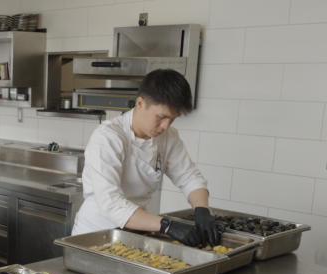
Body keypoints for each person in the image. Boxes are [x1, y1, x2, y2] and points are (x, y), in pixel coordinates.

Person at [72, 69, 222, 247]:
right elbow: (110, 204)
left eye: (173, 119)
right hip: (95, 235)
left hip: (135, 233)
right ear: (140, 103)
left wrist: (202, 209)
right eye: (162, 117)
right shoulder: (108, 137)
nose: (166, 126)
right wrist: (166, 225)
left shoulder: (168, 136)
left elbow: (189, 177)